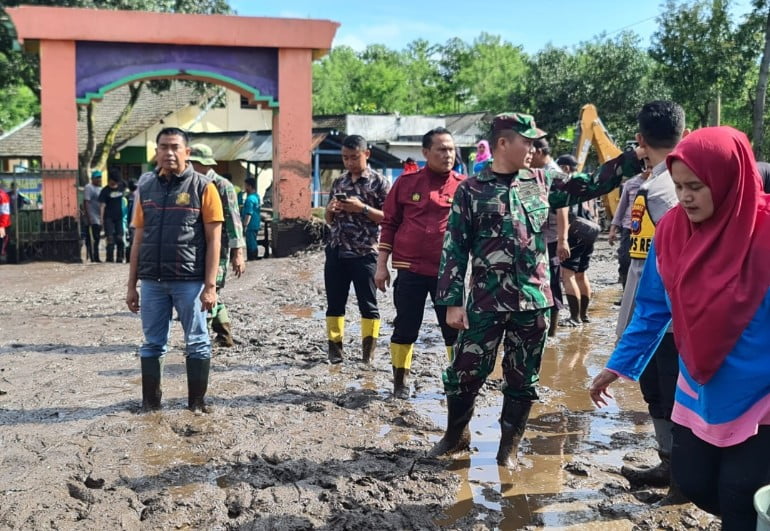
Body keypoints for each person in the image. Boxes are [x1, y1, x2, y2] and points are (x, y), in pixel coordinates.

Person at [429, 112, 642, 467]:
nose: (533, 148)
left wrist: (634, 157)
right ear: (502, 143)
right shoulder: (471, 189)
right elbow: (454, 247)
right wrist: (452, 302)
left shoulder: (541, 181)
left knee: (522, 378)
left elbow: (591, 183)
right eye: (526, 141)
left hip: (533, 302)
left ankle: (507, 450)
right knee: (464, 373)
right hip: (485, 301)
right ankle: (456, 437)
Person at [590, 126, 770, 529]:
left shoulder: (766, 234)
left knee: (740, 494)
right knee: (693, 481)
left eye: (696, 187)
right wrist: (616, 366)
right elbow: (652, 308)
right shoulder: (672, 231)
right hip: (699, 384)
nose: (685, 197)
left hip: (761, 393)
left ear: (730, 180)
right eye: (679, 185)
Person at [606, 101, 688, 503]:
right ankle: (669, 465)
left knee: (671, 396)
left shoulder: (664, 191)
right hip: (652, 311)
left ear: (639, 139)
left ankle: (682, 481)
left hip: (666, 319)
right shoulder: (655, 184)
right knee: (656, 392)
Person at [126, 127, 224, 413]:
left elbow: (213, 239)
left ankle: (196, 403)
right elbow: (138, 239)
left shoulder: (204, 187)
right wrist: (132, 285)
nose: (169, 153)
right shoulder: (146, 188)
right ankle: (150, 404)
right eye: (163, 147)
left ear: (187, 152)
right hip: (152, 281)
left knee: (197, 342)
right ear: (156, 152)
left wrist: (210, 286)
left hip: (190, 281)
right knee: (152, 344)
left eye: (175, 147)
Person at [375, 127, 465, 398]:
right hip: (409, 270)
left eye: (451, 149)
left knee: (454, 329)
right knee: (405, 327)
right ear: (425, 153)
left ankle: (458, 382)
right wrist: (381, 266)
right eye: (441, 149)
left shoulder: (464, 186)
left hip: (447, 273)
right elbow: (389, 223)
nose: (448, 154)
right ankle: (400, 383)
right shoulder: (405, 183)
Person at [324, 134, 390, 364]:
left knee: (368, 305)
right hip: (337, 249)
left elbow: (389, 219)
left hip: (365, 252)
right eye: (345, 158)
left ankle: (367, 354)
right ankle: (335, 351)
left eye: (354, 157)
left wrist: (361, 209)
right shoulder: (339, 182)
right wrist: (331, 209)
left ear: (366, 154)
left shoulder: (379, 183)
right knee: (334, 303)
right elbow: (329, 220)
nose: (349, 162)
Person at [189, 143, 246, 348]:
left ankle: (203, 337)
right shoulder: (192, 184)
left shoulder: (222, 186)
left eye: (193, 164)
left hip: (218, 247)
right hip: (195, 247)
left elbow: (234, 219)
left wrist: (238, 252)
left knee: (211, 290)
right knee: (204, 291)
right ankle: (224, 334)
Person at [531, 139, 569, 336]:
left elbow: (563, 209)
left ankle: (552, 331)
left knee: (552, 282)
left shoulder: (553, 173)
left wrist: (563, 240)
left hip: (551, 238)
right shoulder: (536, 172)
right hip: (539, 237)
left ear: (538, 151)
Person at [557, 154, 600, 326]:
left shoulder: (568, 186)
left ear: (566, 168)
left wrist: (563, 238)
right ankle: (584, 315)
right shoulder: (587, 184)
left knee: (568, 275)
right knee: (582, 275)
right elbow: (595, 211)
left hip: (574, 232)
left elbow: (566, 212)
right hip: (590, 231)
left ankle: (574, 317)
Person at [608, 167, 650, 289]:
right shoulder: (630, 184)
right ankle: (626, 293)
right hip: (629, 228)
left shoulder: (658, 183)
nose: (648, 168)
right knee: (625, 260)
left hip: (649, 230)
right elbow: (621, 208)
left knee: (646, 263)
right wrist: (613, 229)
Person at [99, 171, 127, 263]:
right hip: (108, 217)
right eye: (113, 181)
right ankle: (109, 258)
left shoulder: (121, 186)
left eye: (116, 181)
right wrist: (101, 219)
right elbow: (102, 206)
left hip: (119, 217)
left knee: (119, 237)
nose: (114, 183)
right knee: (110, 238)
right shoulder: (105, 191)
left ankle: (120, 257)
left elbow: (127, 184)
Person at [84, 170, 103, 262]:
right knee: (93, 238)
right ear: (92, 179)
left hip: (99, 217)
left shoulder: (100, 189)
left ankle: (96, 256)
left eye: (100, 177)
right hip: (92, 217)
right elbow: (86, 202)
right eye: (97, 177)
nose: (99, 179)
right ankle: (93, 257)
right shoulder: (89, 187)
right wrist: (89, 217)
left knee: (97, 238)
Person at [241, 177, 261, 261]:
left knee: (251, 242)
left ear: (249, 186)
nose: (245, 188)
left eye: (246, 186)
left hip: (250, 224)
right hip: (256, 223)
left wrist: (245, 225)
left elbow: (249, 213)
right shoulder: (256, 196)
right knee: (253, 241)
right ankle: (254, 256)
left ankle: (252, 257)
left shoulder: (249, 199)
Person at [0, 184, 10, 263]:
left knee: (2, 239)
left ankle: (2, 256)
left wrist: (2, 225)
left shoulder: (2, 196)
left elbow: (5, 212)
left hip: (2, 223)